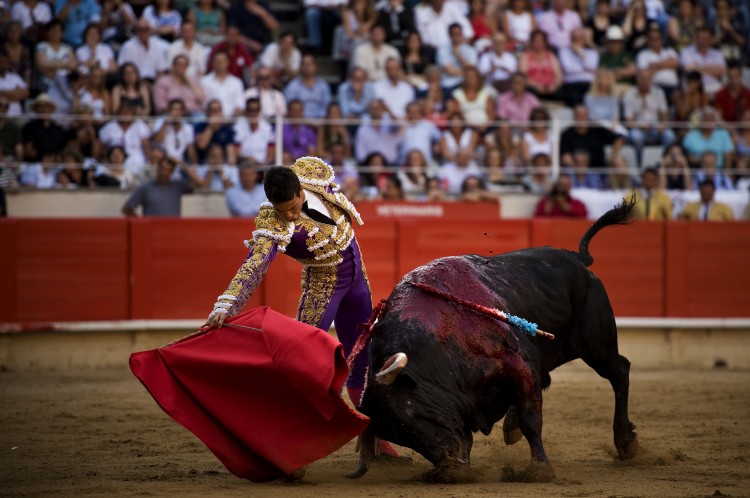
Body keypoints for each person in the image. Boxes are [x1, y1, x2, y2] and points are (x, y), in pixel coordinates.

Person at [205, 159, 401, 459]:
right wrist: (227, 303)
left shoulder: (312, 174)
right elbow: (255, 264)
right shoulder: (272, 222)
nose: (291, 216)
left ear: (300, 189)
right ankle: (285, 444)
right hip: (323, 289)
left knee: (361, 362)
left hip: (357, 284)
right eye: (284, 212)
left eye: (294, 208)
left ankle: (375, 443)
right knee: (301, 366)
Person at [622, 71, 676, 168]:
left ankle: (665, 164)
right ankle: (639, 165)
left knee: (670, 136)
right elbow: (629, 120)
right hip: (638, 128)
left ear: (651, 80)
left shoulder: (658, 93)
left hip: (656, 127)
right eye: (642, 79)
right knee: (636, 138)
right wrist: (640, 126)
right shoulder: (629, 95)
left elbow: (664, 114)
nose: (645, 82)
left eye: (647, 79)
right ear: (637, 80)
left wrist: (662, 125)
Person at [122, 156, 200, 216]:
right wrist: (142, 223)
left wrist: (180, 164)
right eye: (163, 169)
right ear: (158, 168)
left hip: (173, 231)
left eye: (169, 170)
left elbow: (199, 183)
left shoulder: (177, 186)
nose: (165, 173)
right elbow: (127, 209)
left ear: (171, 173)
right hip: (152, 232)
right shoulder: (146, 187)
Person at [283, 55, 331, 120]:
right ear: (300, 67)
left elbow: (327, 106)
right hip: (299, 121)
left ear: (316, 67)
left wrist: (320, 119)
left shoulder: (323, 86)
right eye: (304, 64)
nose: (307, 67)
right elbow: (290, 108)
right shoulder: (292, 86)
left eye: (310, 64)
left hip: (320, 122)